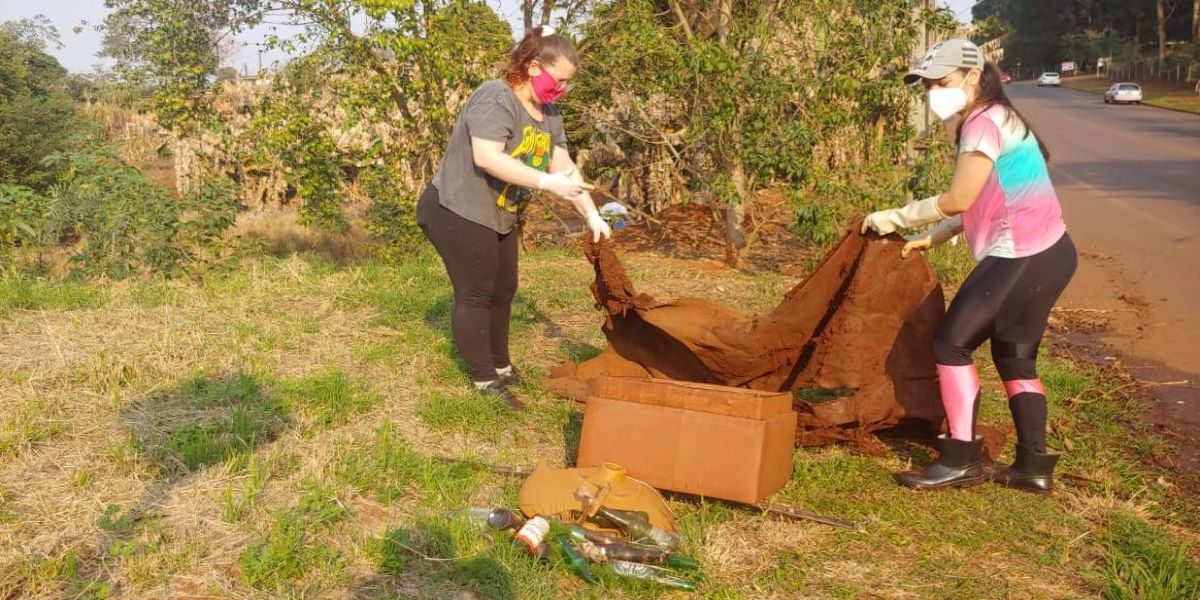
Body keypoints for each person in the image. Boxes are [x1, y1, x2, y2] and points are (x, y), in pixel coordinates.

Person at [862, 39, 1077, 493]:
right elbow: (985, 199)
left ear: (974, 77)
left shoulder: (983, 122)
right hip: (1051, 253)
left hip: (1022, 254)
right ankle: (1033, 467)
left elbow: (959, 198)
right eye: (928, 86)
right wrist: (934, 237)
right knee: (1014, 357)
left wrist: (895, 218)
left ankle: (960, 457)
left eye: (941, 82)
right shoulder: (1001, 118)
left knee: (951, 344)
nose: (934, 93)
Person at [417, 27, 610, 410]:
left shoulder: (548, 114)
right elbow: (487, 156)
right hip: (456, 207)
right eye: (560, 81)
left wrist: (592, 216)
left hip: (497, 212)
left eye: (568, 84)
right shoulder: (495, 97)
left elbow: (564, 166)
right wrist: (544, 183)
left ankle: (501, 366)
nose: (563, 90)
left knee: (505, 288)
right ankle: (484, 380)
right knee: (477, 291)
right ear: (534, 66)